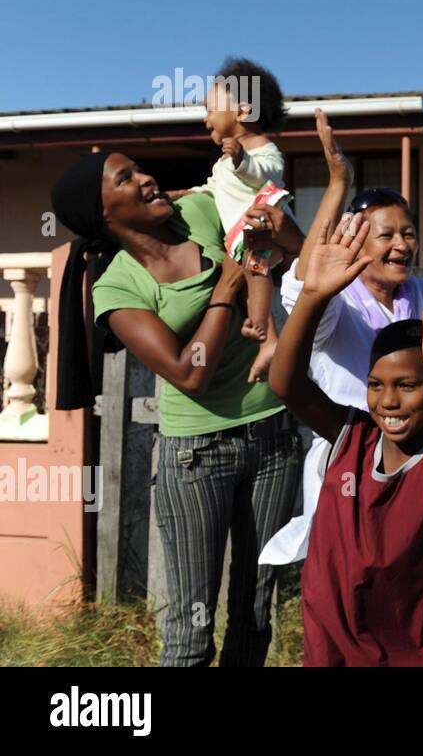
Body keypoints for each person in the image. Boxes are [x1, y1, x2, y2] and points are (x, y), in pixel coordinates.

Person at [51, 150, 306, 667]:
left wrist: (275, 228)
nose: (147, 178)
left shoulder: (203, 213)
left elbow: (285, 244)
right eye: (126, 179)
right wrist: (228, 286)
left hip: (273, 436)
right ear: (102, 215)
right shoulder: (117, 287)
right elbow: (188, 371)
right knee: (190, 633)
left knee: (255, 614)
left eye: (139, 169)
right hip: (196, 456)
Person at [259, 114, 423, 565]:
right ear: (356, 241)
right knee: (351, 569)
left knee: (414, 565)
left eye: (408, 232)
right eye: (386, 234)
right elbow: (306, 284)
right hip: (348, 451)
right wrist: (338, 182)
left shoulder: (421, 292)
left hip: (418, 455)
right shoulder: (340, 302)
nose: (401, 243)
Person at [268, 214, 423, 666]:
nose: (388, 401)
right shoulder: (350, 436)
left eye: (408, 386)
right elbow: (285, 383)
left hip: (421, 652)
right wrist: (313, 296)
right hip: (336, 647)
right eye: (377, 385)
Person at [168, 57, 292, 383]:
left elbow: (268, 172)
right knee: (253, 273)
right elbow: (214, 189)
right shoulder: (223, 163)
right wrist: (184, 192)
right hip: (246, 236)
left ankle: (263, 329)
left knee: (256, 269)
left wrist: (242, 159)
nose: (205, 118)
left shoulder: (263, 149)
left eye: (210, 109)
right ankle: (266, 338)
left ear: (241, 111)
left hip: (265, 229)